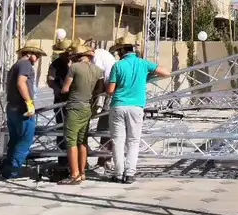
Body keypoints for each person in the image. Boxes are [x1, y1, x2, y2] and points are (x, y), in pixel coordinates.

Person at [106, 35, 172, 184]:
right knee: (133, 141)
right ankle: (129, 174)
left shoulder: (117, 65)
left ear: (122, 51)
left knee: (118, 141)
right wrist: (147, 77)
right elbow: (166, 73)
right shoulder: (143, 63)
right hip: (136, 107)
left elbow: (110, 90)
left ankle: (118, 173)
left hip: (118, 105)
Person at [58, 44, 104, 184]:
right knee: (82, 140)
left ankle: (74, 174)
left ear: (78, 56)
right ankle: (82, 172)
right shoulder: (98, 70)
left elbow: (65, 89)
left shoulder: (74, 67)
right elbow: (99, 90)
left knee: (70, 140)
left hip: (74, 106)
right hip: (87, 107)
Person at [0, 44, 47, 180]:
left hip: (12, 107)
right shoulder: (25, 64)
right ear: (29, 53)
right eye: (37, 55)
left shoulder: (16, 65)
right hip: (22, 108)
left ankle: (8, 168)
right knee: (25, 140)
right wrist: (29, 102)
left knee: (15, 140)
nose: (38, 58)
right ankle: (14, 171)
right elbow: (21, 83)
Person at [88, 39, 116, 171]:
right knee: (107, 127)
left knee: (106, 126)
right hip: (111, 90)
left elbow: (99, 79)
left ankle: (105, 159)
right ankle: (103, 159)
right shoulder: (103, 54)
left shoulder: (97, 57)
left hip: (108, 92)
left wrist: (95, 100)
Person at [46, 38, 74, 168]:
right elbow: (50, 80)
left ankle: (72, 160)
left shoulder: (74, 63)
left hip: (73, 100)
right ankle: (63, 160)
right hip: (61, 100)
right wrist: (57, 89)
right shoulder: (56, 64)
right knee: (61, 130)